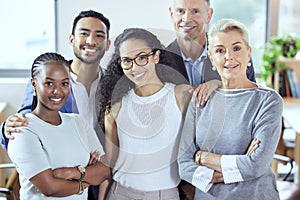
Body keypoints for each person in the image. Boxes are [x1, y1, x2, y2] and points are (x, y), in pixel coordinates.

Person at [1, 10, 111, 200]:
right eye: (84, 33)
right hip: (56, 179)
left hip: (102, 186)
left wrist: (87, 174)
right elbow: (24, 123)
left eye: (99, 35)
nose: (91, 41)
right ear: (71, 39)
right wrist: (6, 128)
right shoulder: (45, 80)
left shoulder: (114, 84)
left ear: (107, 44)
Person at [178, 18, 283, 200]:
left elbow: (256, 165)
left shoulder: (268, 101)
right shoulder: (200, 99)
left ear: (248, 53)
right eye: (220, 50)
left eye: (236, 48)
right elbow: (183, 164)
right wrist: (234, 169)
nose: (229, 57)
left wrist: (203, 158)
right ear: (211, 58)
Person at [96, 27, 197, 200]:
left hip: (165, 195)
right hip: (120, 193)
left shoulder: (182, 95)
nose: (135, 67)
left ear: (156, 56)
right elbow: (109, 166)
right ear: (120, 64)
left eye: (142, 58)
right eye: (127, 60)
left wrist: (214, 83)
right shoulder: (115, 108)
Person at [167, 0, 256, 86]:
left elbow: (251, 97)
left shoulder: (238, 56)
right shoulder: (159, 62)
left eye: (195, 11)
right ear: (171, 14)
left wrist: (219, 86)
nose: (186, 19)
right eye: (180, 11)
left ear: (208, 15)